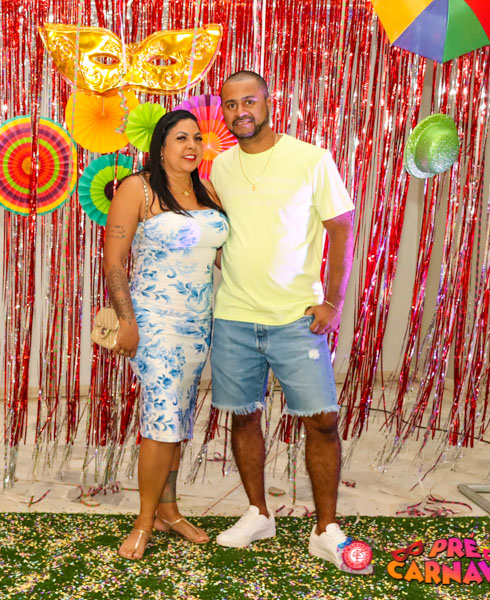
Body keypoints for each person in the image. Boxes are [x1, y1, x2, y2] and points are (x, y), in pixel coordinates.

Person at [208, 71, 372, 575]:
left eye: (250, 101)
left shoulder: (311, 158)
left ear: (268, 103)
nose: (241, 111)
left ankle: (326, 528)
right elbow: (220, 231)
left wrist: (333, 302)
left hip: (297, 318)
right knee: (243, 416)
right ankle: (258, 513)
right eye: (231, 103)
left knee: (321, 420)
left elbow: (341, 228)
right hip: (234, 317)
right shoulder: (220, 167)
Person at [103, 109, 228, 560]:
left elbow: (222, 256)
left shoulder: (207, 190)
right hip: (154, 321)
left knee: (178, 420)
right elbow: (114, 262)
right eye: (180, 138)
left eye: (196, 138)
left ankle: (168, 511)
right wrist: (127, 320)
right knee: (161, 420)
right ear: (160, 147)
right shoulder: (137, 189)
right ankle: (144, 520)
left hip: (199, 323)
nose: (192, 146)